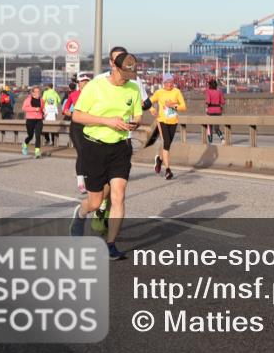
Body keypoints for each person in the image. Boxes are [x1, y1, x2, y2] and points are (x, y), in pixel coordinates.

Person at [70, 52, 143, 261]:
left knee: (118, 195)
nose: (129, 76)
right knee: (95, 202)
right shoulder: (96, 86)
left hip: (120, 148)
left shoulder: (133, 88)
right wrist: (107, 121)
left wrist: (134, 123)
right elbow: (77, 115)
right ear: (115, 67)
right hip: (95, 148)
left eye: (132, 72)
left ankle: (110, 244)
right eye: (126, 72)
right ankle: (81, 213)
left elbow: (137, 114)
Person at [150, 73, 186, 180]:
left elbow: (183, 107)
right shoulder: (159, 92)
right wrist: (152, 110)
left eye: (171, 82)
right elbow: (148, 102)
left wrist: (173, 106)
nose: (169, 84)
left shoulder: (177, 92)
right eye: (167, 82)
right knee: (166, 143)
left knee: (168, 145)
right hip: (162, 120)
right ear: (163, 83)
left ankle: (159, 160)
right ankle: (168, 170)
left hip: (173, 121)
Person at [64, 74, 92, 194]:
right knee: (81, 151)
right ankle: (81, 182)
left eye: (87, 81)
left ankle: (88, 177)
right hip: (76, 126)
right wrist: (70, 113)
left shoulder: (94, 95)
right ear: (78, 84)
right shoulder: (73, 95)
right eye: (83, 81)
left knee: (90, 153)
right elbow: (65, 109)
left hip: (90, 126)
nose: (85, 83)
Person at [21, 85, 45, 158]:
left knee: (38, 135)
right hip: (30, 119)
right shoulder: (28, 100)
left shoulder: (42, 100)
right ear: (33, 93)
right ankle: (25, 143)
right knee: (30, 135)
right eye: (36, 92)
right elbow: (24, 108)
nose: (38, 93)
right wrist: (34, 109)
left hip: (39, 119)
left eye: (39, 91)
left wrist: (43, 111)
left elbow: (42, 108)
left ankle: (37, 151)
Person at [205, 79, 226, 144]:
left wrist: (206, 106)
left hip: (210, 111)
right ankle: (222, 139)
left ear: (210, 85)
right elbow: (223, 102)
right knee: (216, 128)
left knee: (209, 127)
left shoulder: (208, 91)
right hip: (218, 111)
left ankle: (210, 142)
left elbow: (208, 101)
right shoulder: (219, 92)